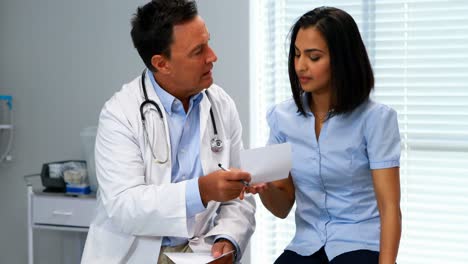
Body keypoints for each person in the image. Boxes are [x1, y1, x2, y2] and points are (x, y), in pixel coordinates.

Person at [81, 1, 255, 263]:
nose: (212, 56)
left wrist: (228, 238)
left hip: (200, 254)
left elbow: (239, 195)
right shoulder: (120, 114)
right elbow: (124, 206)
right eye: (198, 51)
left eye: (208, 42)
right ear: (162, 64)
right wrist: (200, 191)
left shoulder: (220, 104)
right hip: (133, 255)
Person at [246, 6, 401, 264]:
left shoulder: (376, 119)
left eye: (313, 57)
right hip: (307, 244)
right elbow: (281, 207)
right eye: (296, 55)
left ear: (342, 60)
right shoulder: (282, 118)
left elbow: (390, 209)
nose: (300, 66)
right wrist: (264, 187)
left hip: (359, 243)